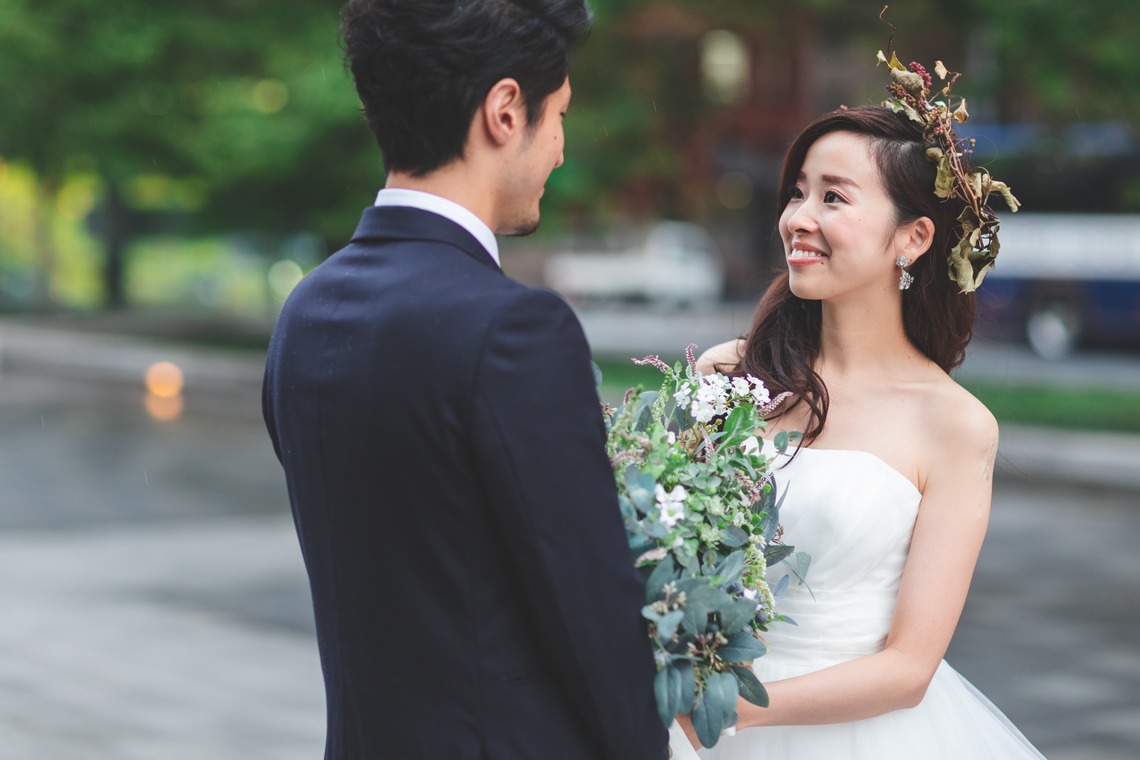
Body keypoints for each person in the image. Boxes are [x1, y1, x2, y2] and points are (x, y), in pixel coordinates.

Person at [261, 2, 668, 758]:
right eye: (561, 117)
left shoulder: (305, 314)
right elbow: (588, 617)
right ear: (506, 111)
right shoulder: (515, 331)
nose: (562, 150)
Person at [689, 101, 1047, 758]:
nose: (798, 218)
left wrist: (733, 710)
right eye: (797, 193)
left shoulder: (955, 425)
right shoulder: (728, 374)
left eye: (833, 198)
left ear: (911, 238)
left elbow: (909, 668)